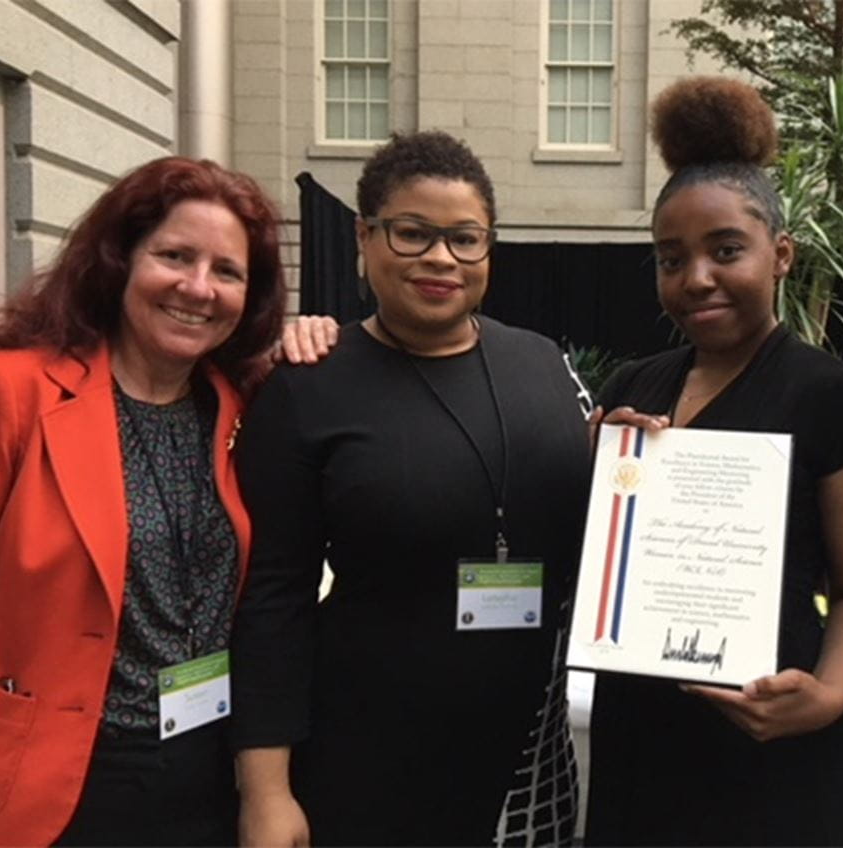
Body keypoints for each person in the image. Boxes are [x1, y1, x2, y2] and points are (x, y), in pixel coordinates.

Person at [230, 130, 590, 847]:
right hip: (368, 760)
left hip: (529, 762)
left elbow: (599, 516)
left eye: (465, 238)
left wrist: (638, 448)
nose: (440, 258)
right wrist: (266, 792)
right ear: (364, 238)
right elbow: (273, 600)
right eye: (412, 233)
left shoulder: (545, 365)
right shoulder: (309, 386)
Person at [581, 78, 843, 846]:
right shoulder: (634, 386)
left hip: (771, 738)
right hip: (640, 738)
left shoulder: (832, 395)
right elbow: (601, 563)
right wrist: (599, 471)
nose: (696, 279)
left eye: (727, 250)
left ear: (781, 254)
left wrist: (826, 697)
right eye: (670, 259)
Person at [0, 157, 287, 846]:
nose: (198, 288)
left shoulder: (244, 407)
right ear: (120, 258)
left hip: (201, 775)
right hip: (33, 785)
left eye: (227, 271)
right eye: (175, 256)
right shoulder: (7, 389)